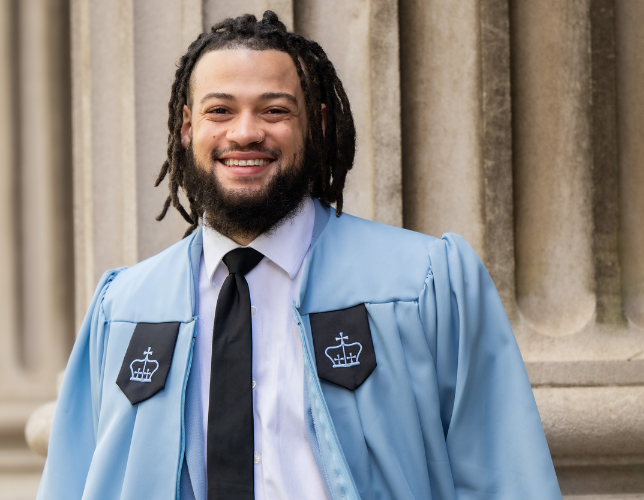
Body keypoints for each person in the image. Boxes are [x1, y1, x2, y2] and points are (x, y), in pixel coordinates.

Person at [37, 11, 561, 500]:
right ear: (187, 128)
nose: (245, 132)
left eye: (274, 110)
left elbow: (505, 477)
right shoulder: (126, 308)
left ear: (316, 125)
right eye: (220, 110)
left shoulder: (424, 283)